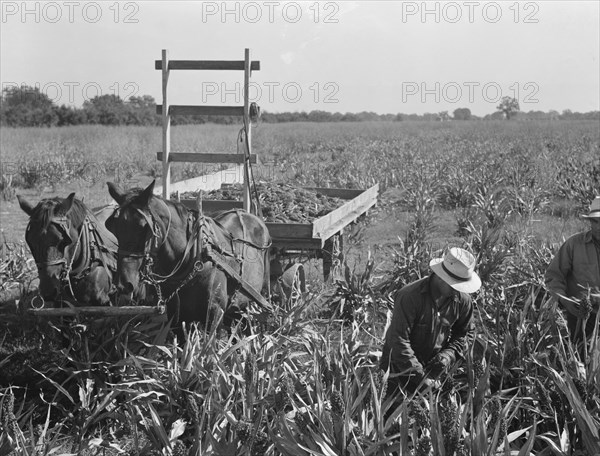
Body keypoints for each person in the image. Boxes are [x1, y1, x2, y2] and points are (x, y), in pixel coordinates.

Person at [380, 247, 480, 396]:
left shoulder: (462, 300)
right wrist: (419, 375)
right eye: (454, 285)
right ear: (440, 277)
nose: (457, 291)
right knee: (392, 414)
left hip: (434, 372)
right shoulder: (410, 297)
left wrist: (448, 355)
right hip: (399, 371)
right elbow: (398, 340)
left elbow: (465, 333)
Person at [545, 196, 600, 347]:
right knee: (580, 360)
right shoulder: (574, 244)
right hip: (580, 318)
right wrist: (563, 300)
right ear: (589, 222)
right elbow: (553, 276)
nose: (598, 226)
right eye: (595, 221)